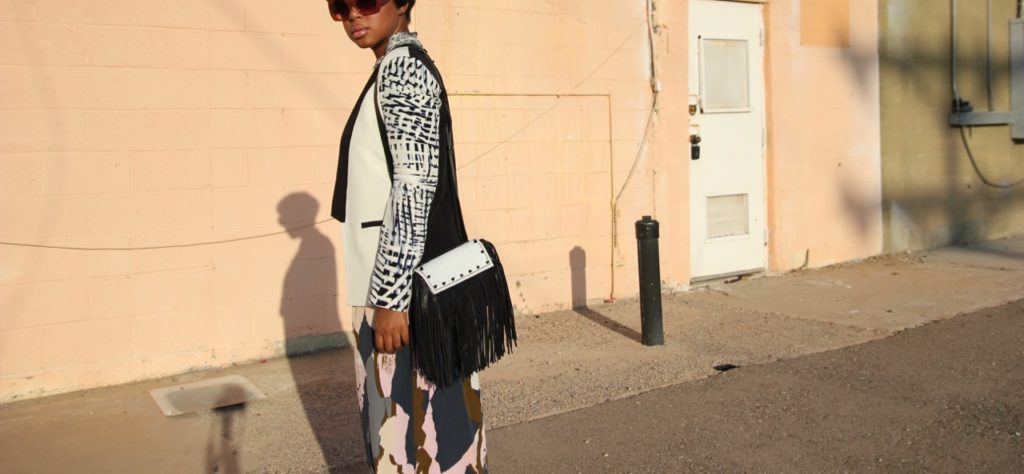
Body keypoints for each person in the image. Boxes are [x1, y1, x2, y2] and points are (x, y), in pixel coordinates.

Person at [326, 0, 487, 472]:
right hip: (408, 287)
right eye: (340, 6)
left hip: (403, 294)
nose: (353, 15)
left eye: (367, 1)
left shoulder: (401, 70)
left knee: (408, 437)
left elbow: (413, 188)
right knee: (431, 432)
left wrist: (391, 300)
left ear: (402, 4)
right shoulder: (394, 66)